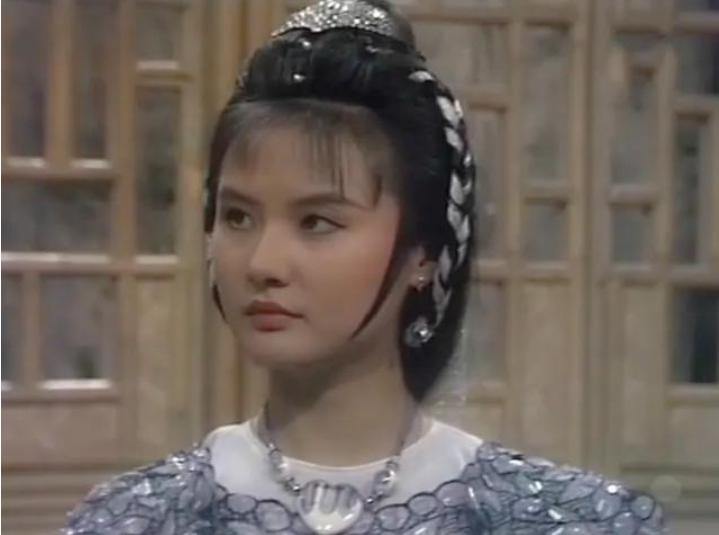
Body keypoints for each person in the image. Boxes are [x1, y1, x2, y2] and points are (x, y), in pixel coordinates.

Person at [64, 1, 666, 533]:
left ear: (423, 253)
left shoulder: (554, 518)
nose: (263, 263)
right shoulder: (138, 518)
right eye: (238, 217)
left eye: (317, 222)